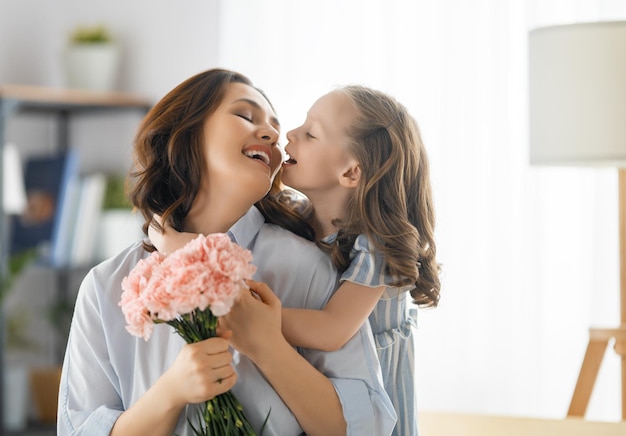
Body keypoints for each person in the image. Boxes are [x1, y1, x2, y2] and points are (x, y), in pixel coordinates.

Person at [56, 68, 396, 436]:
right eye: (245, 116)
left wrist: (269, 347)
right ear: (185, 134)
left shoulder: (310, 267)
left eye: (275, 129)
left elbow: (370, 426)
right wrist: (169, 394)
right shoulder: (107, 287)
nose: (271, 135)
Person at [152, 84, 440, 436]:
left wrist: (248, 316)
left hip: (372, 405)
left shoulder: (376, 246)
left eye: (311, 134)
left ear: (350, 172)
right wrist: (175, 240)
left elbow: (333, 330)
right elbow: (225, 241)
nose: (287, 134)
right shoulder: (296, 218)